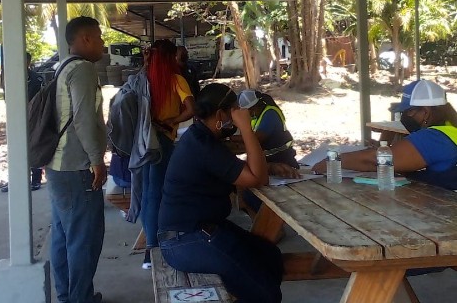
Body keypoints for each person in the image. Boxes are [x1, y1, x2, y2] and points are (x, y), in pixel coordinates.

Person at [158, 83, 283, 303]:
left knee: (269, 256)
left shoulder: (202, 137)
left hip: (202, 229)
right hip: (184, 239)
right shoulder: (202, 145)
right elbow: (257, 179)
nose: (237, 118)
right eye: (235, 112)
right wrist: (246, 129)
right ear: (219, 115)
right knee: (265, 293)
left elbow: (242, 171)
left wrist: (271, 166)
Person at [47, 16, 107, 303]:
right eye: (99, 37)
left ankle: (68, 296)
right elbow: (84, 120)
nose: (103, 43)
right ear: (85, 39)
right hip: (77, 168)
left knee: (63, 237)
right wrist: (97, 160)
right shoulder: (83, 69)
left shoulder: (63, 66)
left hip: (59, 167)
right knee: (84, 240)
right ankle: (80, 298)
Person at [313, 79, 457, 190]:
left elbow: (376, 160)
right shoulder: (450, 128)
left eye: (409, 112)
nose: (405, 116)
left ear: (425, 111)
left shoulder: (435, 138)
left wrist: (333, 161)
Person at [141, 39, 195, 269]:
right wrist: (173, 120)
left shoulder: (143, 78)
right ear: (171, 57)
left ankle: (149, 247)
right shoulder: (176, 79)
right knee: (159, 195)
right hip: (163, 140)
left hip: (143, 141)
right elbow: (193, 108)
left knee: (147, 194)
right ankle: (153, 248)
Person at [1, 52, 44, 192]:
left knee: (34, 147)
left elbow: (42, 99)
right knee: (15, 150)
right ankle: (15, 179)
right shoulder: (9, 76)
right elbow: (7, 97)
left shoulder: (37, 78)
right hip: (16, 118)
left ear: (28, 62)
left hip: (34, 118)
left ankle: (36, 180)